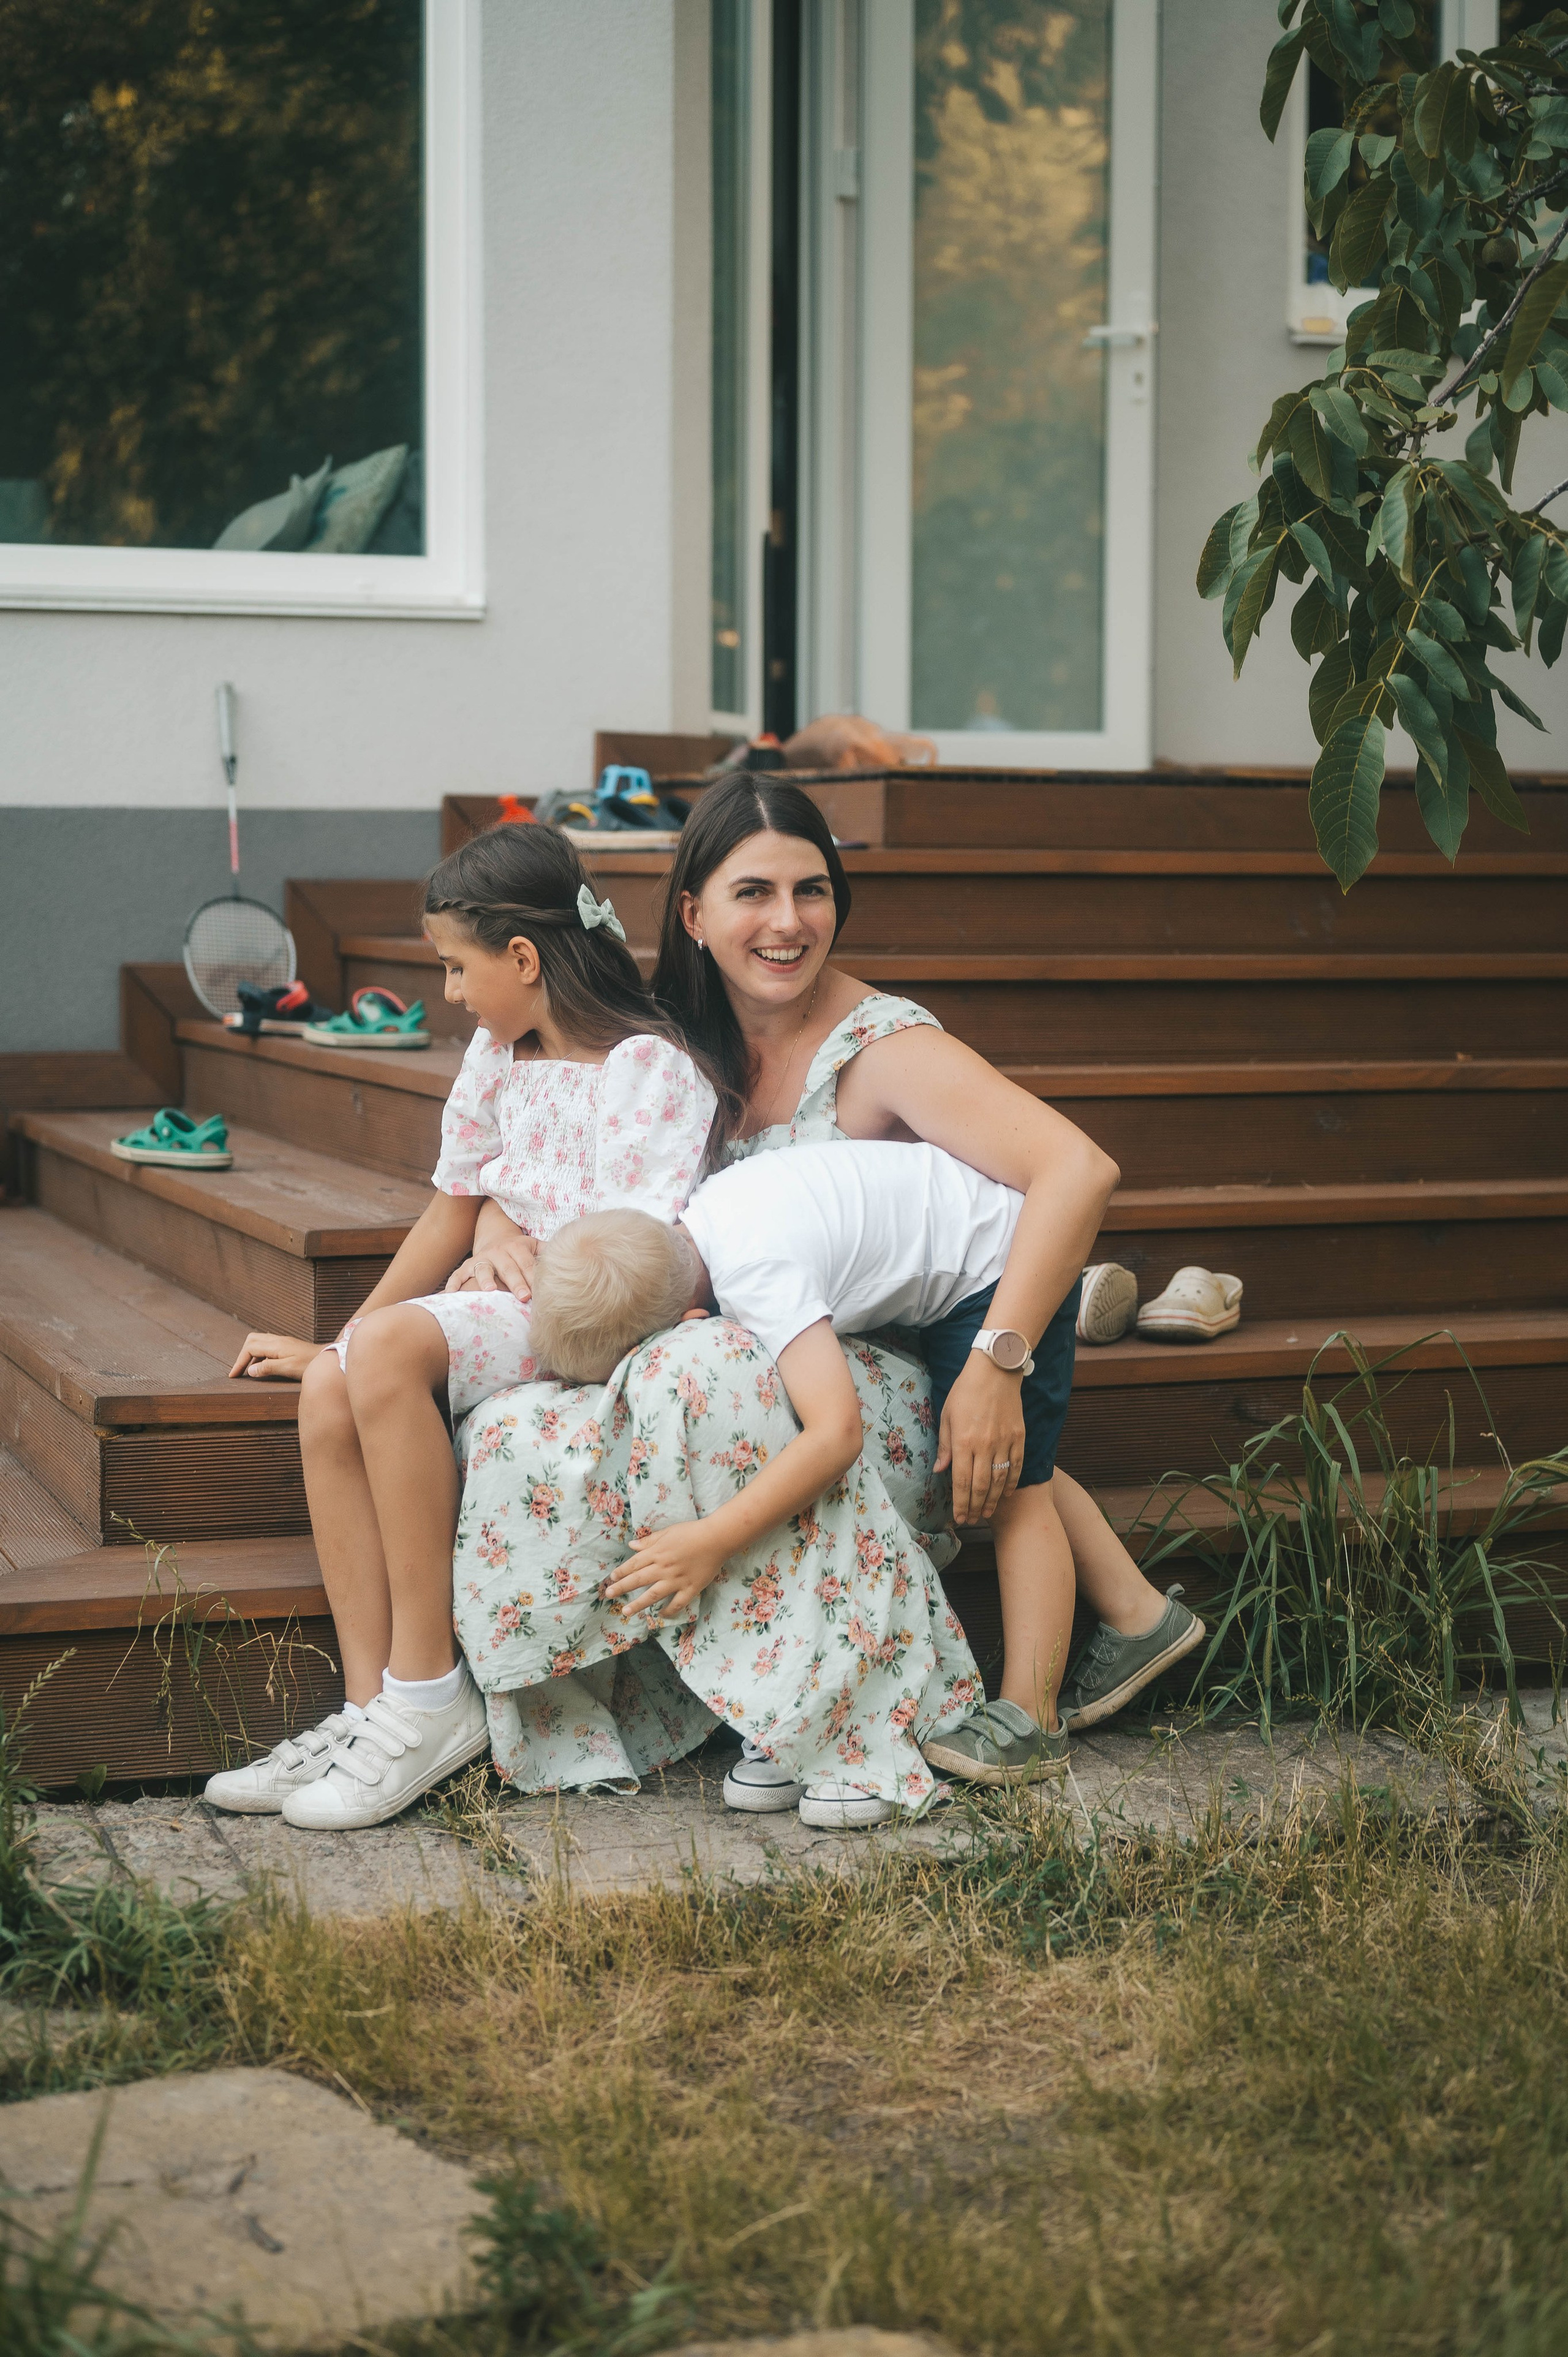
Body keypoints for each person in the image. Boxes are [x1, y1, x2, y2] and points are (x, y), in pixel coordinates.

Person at [452, 774, 1187, 1815]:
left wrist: (997, 1365)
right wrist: (494, 1223)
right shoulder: (672, 1042)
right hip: (834, 1320)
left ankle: (873, 1698)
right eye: (753, 892)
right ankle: (1133, 1609)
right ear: (693, 913)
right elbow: (541, 1151)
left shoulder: (884, 1050)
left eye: (812, 890)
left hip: (919, 1334)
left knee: (766, 1398)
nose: (788, 921)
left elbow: (1075, 1170)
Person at [203, 823, 717, 1830]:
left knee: (386, 1349)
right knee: (330, 1381)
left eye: (454, 965)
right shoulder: (498, 1052)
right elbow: (452, 1203)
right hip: (504, 1302)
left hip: (585, 1315)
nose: (448, 990)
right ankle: (372, 1712)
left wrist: (511, 1238)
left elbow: (631, 1248)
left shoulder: (647, 1069)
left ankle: (432, 1693)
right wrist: (347, 1341)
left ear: (523, 959)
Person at [522, 1144, 1203, 1787]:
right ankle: (1142, 1618)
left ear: (691, 1319)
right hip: (957, 1246)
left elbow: (836, 1435)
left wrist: (711, 1540)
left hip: (1005, 1269)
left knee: (1012, 1488)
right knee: (1007, 1459)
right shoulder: (701, 1221)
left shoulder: (758, 1276)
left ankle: (1033, 1718)